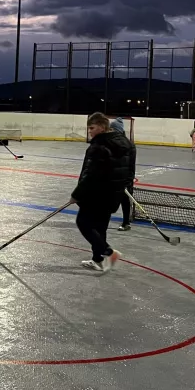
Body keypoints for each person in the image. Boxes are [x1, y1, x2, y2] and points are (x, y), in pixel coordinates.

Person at [70, 112, 128, 272]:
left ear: (102, 127)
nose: (90, 131)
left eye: (92, 128)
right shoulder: (123, 143)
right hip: (112, 195)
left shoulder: (98, 147)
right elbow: (127, 170)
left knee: (83, 222)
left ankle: (108, 252)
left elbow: (89, 174)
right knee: (100, 227)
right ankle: (97, 260)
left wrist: (76, 195)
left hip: (96, 195)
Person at [110, 117, 137, 232]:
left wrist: (128, 181)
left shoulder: (129, 146)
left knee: (125, 200)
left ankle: (126, 222)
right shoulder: (110, 143)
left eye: (112, 129)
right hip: (113, 178)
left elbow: (131, 166)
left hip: (124, 179)